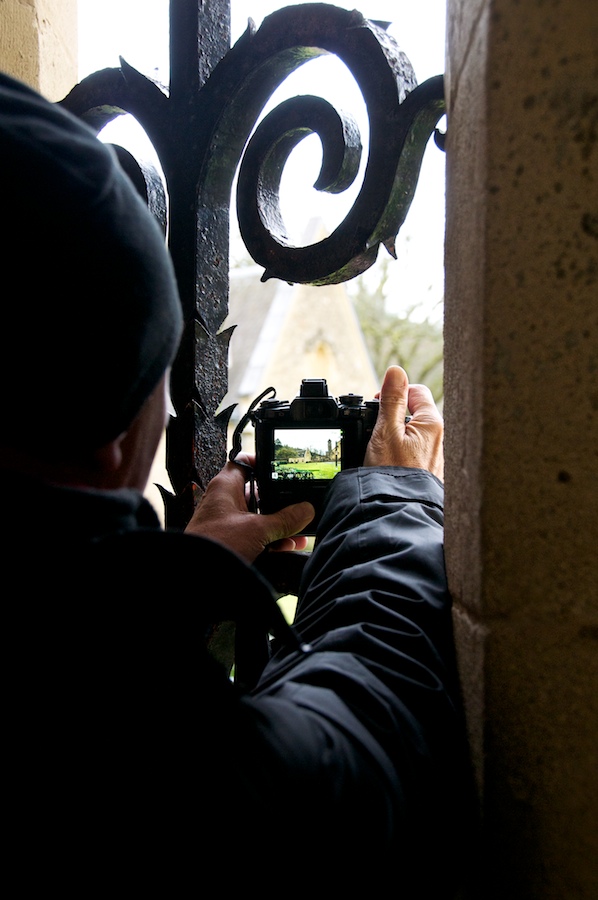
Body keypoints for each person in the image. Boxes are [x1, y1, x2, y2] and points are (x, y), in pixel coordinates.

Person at [1, 72, 475, 893]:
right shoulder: (152, 784)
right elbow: (354, 749)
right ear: (121, 445)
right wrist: (395, 506)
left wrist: (159, 598)